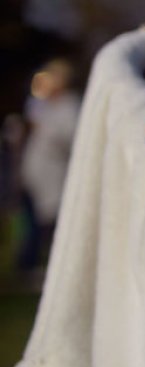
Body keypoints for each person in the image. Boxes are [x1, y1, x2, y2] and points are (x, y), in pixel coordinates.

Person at [19, 58, 81, 276]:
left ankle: (54, 264)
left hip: (55, 171)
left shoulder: (69, 105)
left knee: (54, 222)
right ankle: (28, 263)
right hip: (35, 170)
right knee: (32, 219)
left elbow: (70, 136)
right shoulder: (39, 104)